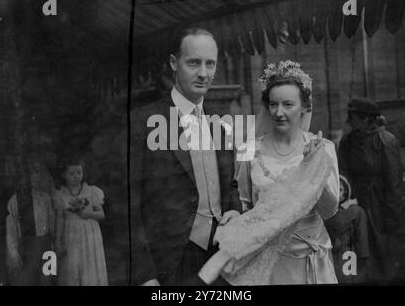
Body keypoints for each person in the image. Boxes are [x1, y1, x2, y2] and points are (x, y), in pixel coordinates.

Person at [212, 60, 340, 285]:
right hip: (267, 264)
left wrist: (314, 165)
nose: (279, 112)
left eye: (288, 104)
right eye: (273, 104)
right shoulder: (249, 150)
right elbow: (245, 205)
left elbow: (329, 211)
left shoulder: (323, 148)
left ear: (304, 107)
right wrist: (235, 215)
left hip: (311, 262)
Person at [131, 27, 242, 286]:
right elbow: (127, 207)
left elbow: (231, 184)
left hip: (221, 256)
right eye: (194, 63)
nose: (203, 73)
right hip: (169, 263)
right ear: (174, 63)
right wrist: (144, 276)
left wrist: (234, 211)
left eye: (210, 64)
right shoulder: (142, 121)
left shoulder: (221, 122)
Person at [338, 97, 405, 283]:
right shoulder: (347, 142)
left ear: (366, 119)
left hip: (382, 207)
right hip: (357, 205)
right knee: (359, 250)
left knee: (384, 252)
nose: (348, 121)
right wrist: (344, 193)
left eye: (352, 116)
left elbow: (394, 184)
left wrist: (394, 216)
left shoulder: (385, 141)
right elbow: (342, 174)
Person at [53, 155, 108, 285]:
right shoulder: (60, 195)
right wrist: (57, 241)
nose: (76, 176)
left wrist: (89, 213)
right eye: (71, 173)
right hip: (71, 236)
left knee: (89, 270)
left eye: (79, 172)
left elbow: (102, 214)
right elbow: (60, 219)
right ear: (64, 175)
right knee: (73, 269)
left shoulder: (91, 191)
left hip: (90, 236)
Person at [6, 156, 54, 285]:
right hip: (26, 247)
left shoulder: (45, 198)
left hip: (45, 245)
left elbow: (51, 222)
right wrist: (14, 253)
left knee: (47, 280)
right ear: (23, 175)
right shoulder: (15, 201)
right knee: (27, 280)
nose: (34, 176)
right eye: (30, 172)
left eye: (36, 171)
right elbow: (11, 231)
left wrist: (53, 244)